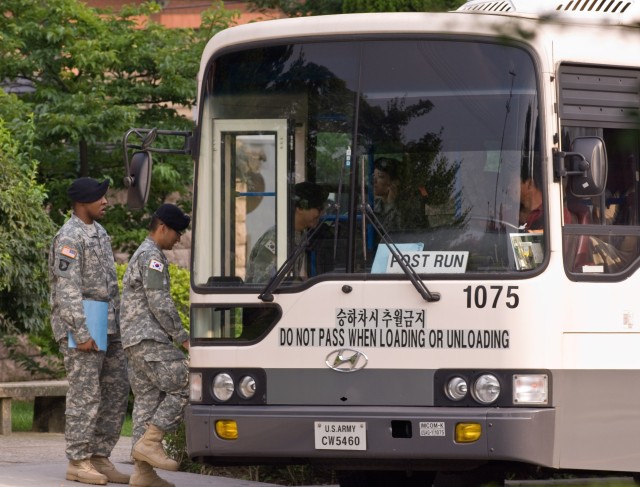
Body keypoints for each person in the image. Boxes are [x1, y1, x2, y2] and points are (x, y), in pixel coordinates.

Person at [48, 177, 130, 485]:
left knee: (116, 390)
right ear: (83, 202)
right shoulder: (68, 237)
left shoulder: (101, 233)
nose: (106, 201)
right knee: (85, 393)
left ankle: (99, 456)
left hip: (108, 325)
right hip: (82, 325)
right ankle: (78, 461)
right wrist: (80, 333)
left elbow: (110, 286)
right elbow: (66, 289)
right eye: (100, 197)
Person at [120, 203, 191, 487]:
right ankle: (151, 442)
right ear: (162, 227)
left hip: (134, 341)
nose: (179, 238)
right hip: (148, 338)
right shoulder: (152, 257)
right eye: (177, 232)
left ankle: (143, 473)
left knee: (147, 402)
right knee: (187, 381)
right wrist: (183, 337)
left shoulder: (144, 253)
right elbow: (159, 302)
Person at [246, 181, 328, 283]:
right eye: (319, 209)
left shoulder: (300, 235)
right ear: (300, 208)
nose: (321, 214)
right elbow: (262, 283)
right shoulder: (275, 238)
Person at [373, 157, 402, 232]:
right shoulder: (373, 206)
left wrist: (390, 204)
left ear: (395, 182)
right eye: (373, 176)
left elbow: (390, 235)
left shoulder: (406, 208)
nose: (374, 181)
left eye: (380, 177)